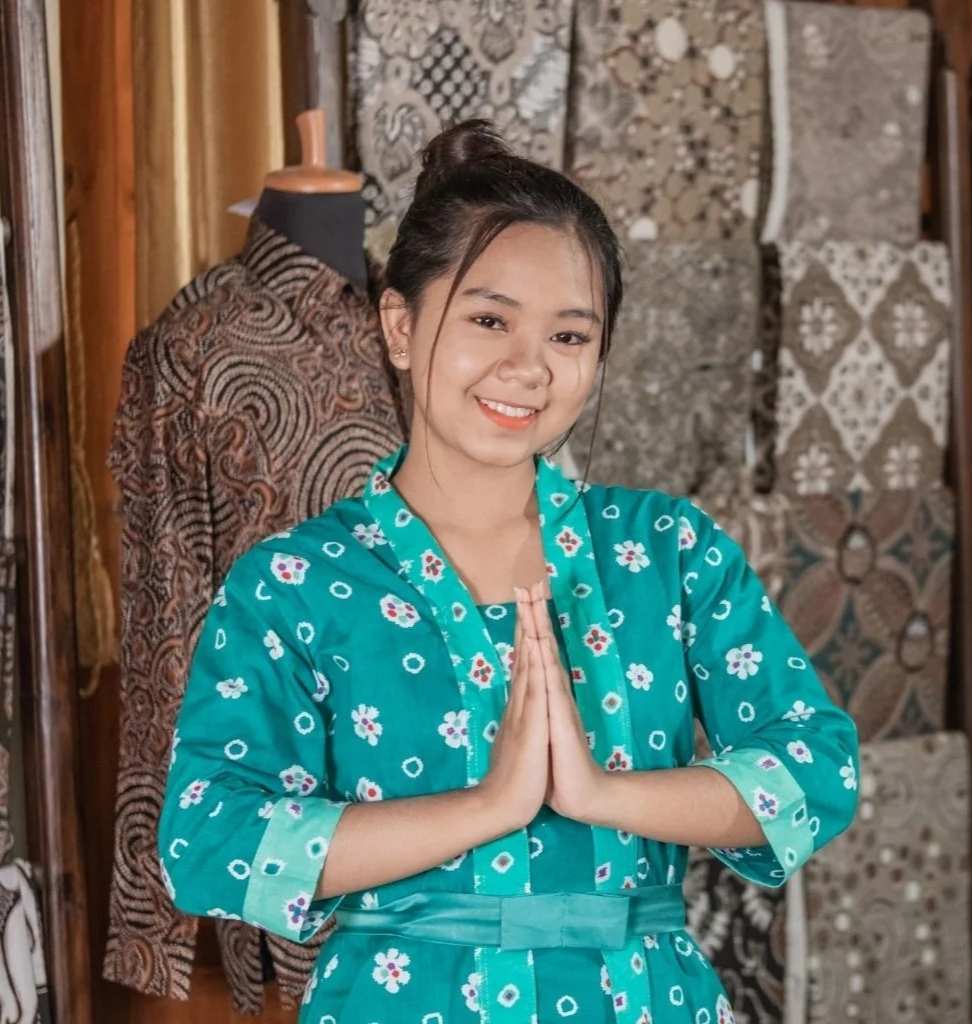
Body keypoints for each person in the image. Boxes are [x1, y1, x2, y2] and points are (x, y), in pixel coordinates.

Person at [157, 119, 860, 1023]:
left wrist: (602, 795)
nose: (528, 368)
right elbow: (207, 840)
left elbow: (818, 769)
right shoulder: (289, 584)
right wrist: (489, 806)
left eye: (570, 338)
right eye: (489, 320)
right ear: (402, 326)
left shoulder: (668, 551)